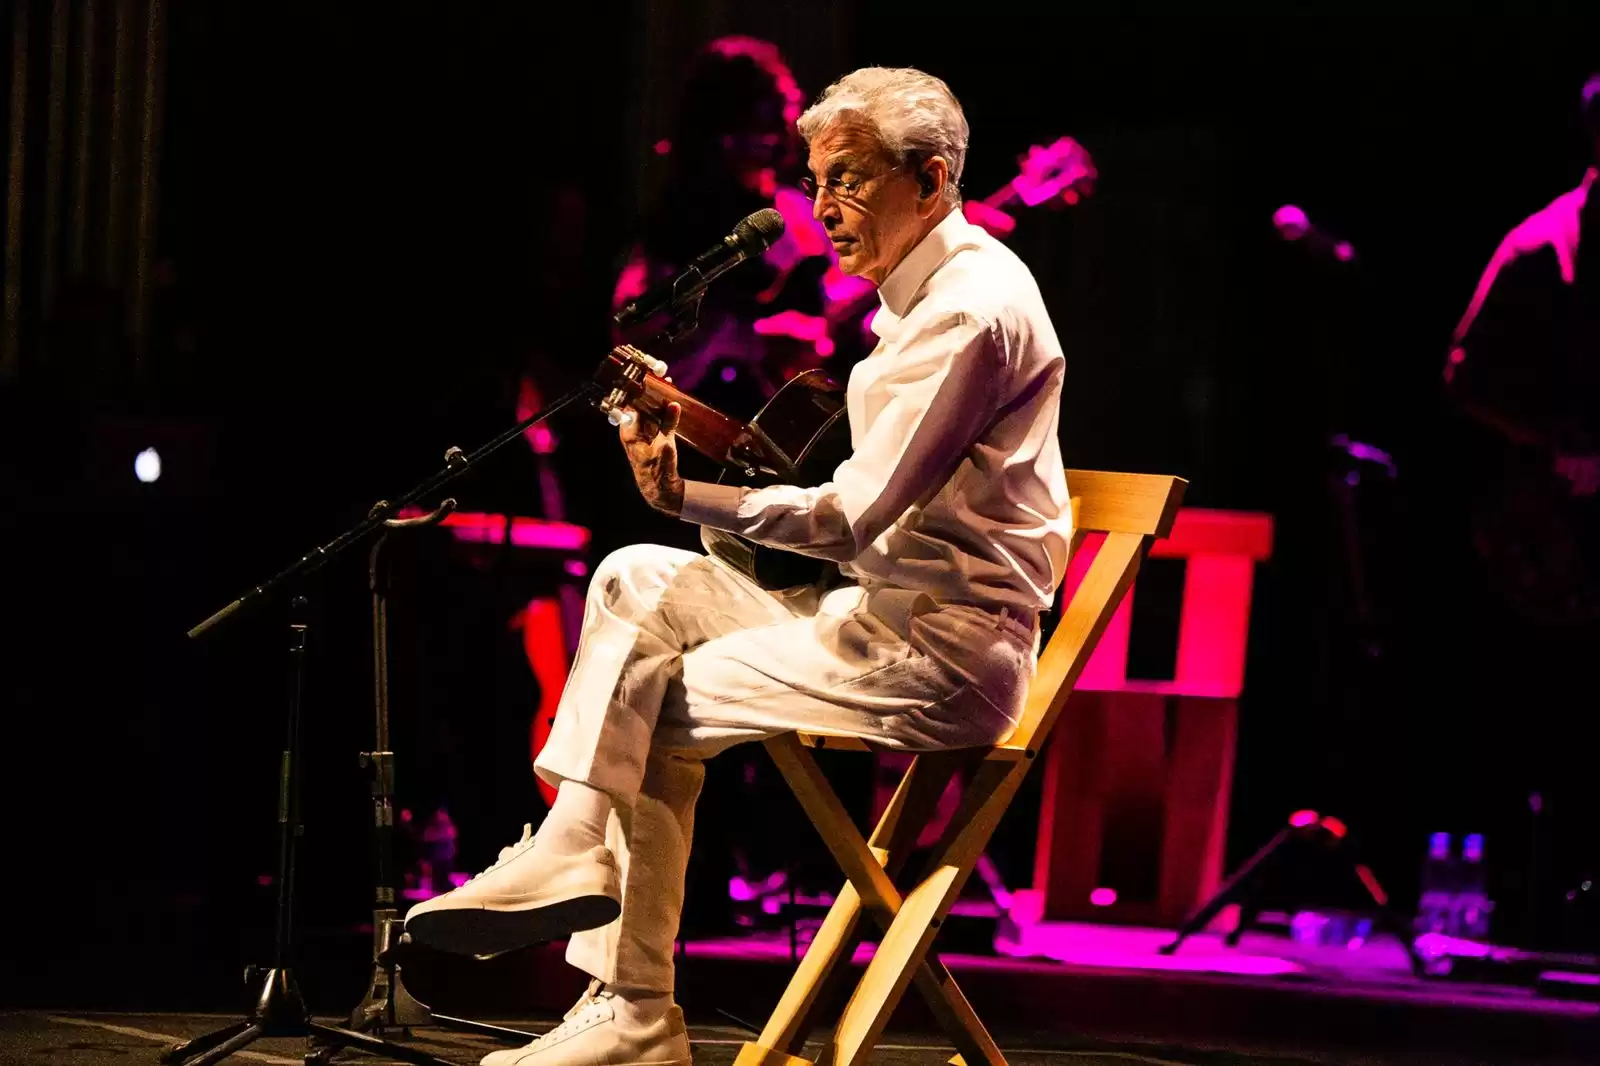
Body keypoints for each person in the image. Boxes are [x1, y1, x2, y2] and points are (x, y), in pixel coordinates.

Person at [406, 67, 1073, 1066]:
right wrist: (699, 479)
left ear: (931, 179)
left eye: (846, 181)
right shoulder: (914, 297)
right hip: (870, 617)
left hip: (941, 653)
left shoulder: (966, 313)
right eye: (814, 182)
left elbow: (853, 518)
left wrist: (686, 496)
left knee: (644, 702)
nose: (820, 210)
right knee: (633, 576)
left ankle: (629, 1006)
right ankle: (575, 849)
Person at [1439, 73, 1600, 949]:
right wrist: (1557, 442)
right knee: (1537, 712)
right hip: (1543, 530)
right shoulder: (1543, 245)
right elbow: (1465, 374)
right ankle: (1518, 907)